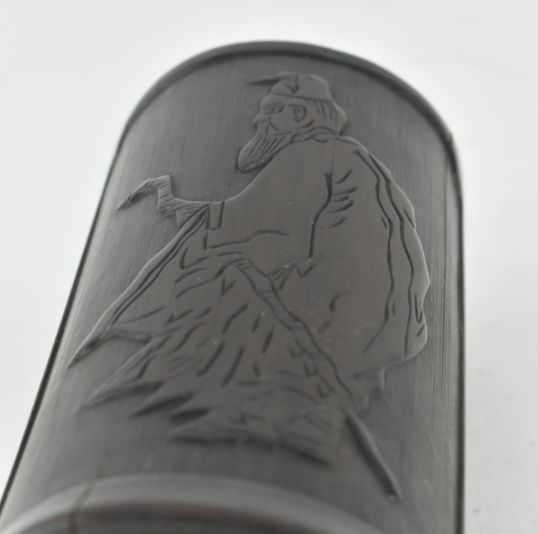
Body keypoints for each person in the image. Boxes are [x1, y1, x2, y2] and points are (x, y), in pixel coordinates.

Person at [71, 72, 430, 497]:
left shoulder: (311, 152)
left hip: (336, 317)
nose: (259, 122)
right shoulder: (348, 157)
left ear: (300, 115)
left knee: (216, 272)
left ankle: (257, 404)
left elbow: (263, 228)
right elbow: (257, 218)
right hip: (378, 325)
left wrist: (179, 208)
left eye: (270, 112)